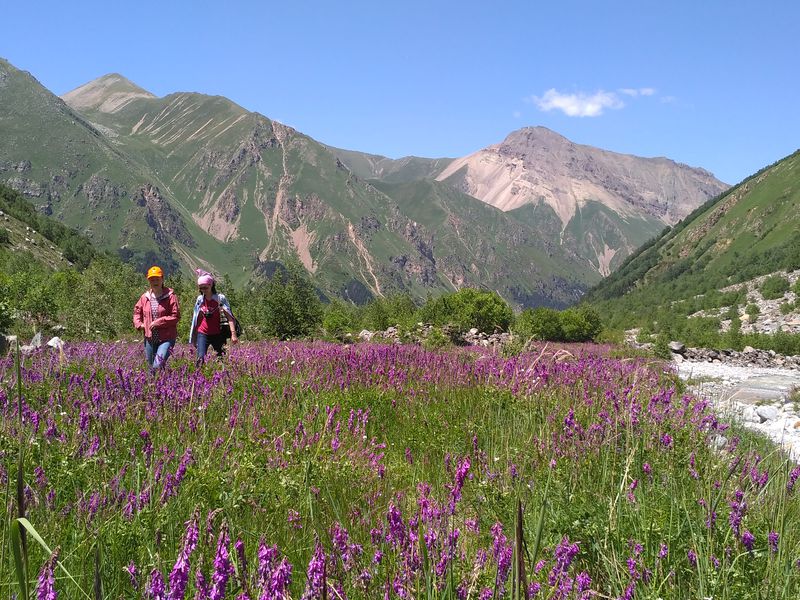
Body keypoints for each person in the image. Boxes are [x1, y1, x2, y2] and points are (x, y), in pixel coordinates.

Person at [133, 266, 181, 372]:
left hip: (167, 338)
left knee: (157, 365)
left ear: (162, 279)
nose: (155, 282)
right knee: (151, 368)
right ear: (148, 280)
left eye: (157, 279)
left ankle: (161, 385)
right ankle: (156, 387)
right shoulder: (145, 297)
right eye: (152, 279)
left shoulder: (170, 296)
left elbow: (176, 316)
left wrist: (158, 322)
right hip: (149, 338)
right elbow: (137, 313)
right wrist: (139, 324)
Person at [188, 269, 238, 365]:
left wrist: (233, 334)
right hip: (202, 333)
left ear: (211, 285)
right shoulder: (200, 300)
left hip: (218, 334)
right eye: (201, 288)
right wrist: (194, 336)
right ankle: (200, 377)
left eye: (205, 287)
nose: (203, 290)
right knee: (200, 359)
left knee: (221, 359)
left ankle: (222, 378)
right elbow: (196, 319)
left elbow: (229, 317)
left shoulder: (220, 299)